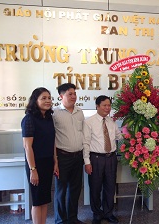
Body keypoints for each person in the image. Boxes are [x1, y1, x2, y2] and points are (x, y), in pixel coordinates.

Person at [83, 95, 122, 224]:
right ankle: (97, 213)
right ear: (97, 106)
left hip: (111, 158)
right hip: (96, 158)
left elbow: (118, 136)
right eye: (104, 105)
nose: (107, 108)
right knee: (95, 187)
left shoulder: (111, 121)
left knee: (110, 187)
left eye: (109, 105)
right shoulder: (89, 122)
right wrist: (87, 162)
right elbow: (86, 143)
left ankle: (108, 212)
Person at [22, 87, 58, 224]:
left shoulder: (48, 118)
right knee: (37, 200)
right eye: (43, 98)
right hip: (35, 164)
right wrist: (33, 169)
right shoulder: (29, 119)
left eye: (49, 98)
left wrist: (55, 162)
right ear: (35, 100)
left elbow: (52, 142)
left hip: (48, 162)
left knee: (44, 199)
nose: (48, 101)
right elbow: (27, 146)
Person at [53, 83, 86, 224]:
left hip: (78, 157)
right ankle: (61, 220)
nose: (73, 96)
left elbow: (83, 134)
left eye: (74, 93)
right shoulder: (55, 113)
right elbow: (52, 138)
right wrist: (55, 161)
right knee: (61, 190)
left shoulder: (80, 112)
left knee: (75, 189)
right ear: (61, 96)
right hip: (62, 157)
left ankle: (73, 218)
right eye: (69, 94)